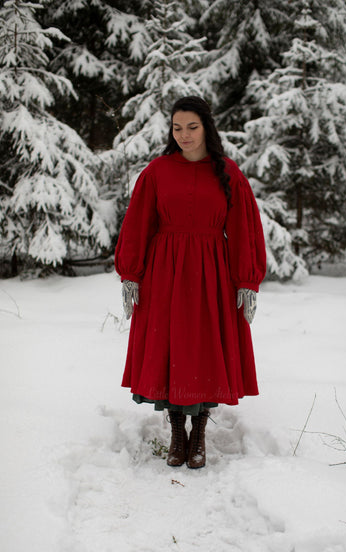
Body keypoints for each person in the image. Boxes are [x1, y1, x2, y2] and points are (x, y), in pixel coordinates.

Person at [114, 96, 266, 469]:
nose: (183, 135)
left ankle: (199, 432)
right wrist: (131, 273)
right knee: (172, 347)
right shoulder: (158, 171)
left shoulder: (228, 172)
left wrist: (245, 278)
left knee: (205, 347)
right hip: (165, 270)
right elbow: (137, 223)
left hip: (213, 271)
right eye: (177, 127)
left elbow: (245, 228)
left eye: (191, 127)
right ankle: (177, 433)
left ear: (206, 128)